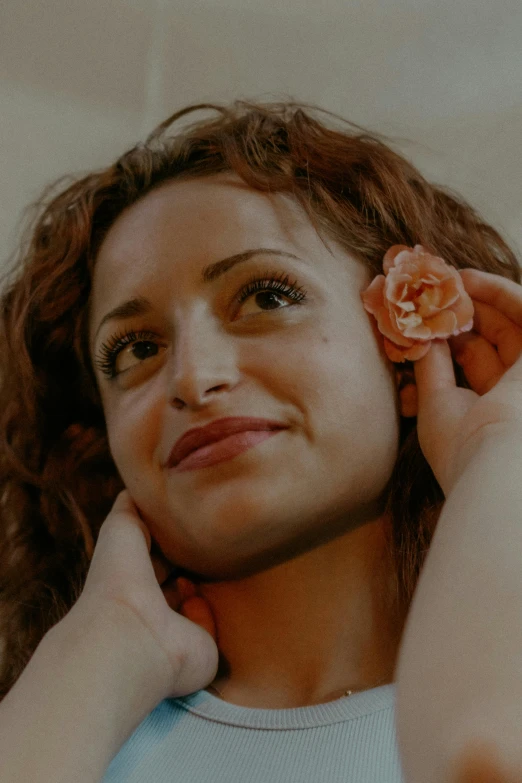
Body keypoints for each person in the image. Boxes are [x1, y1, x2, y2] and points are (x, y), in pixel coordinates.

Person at [0, 99, 521, 783]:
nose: (192, 375)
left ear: (412, 356)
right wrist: (94, 655)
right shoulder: (63, 723)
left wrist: (497, 454)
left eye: (267, 296)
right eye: (135, 348)